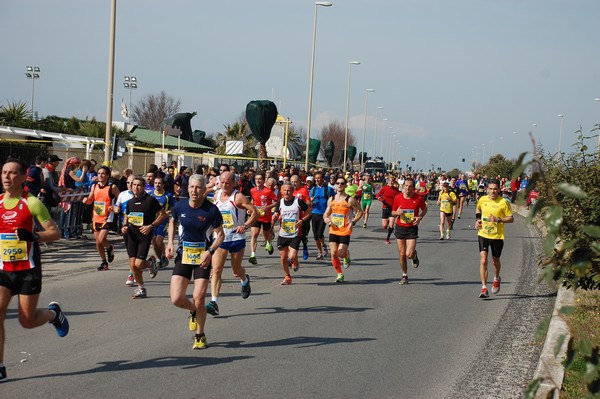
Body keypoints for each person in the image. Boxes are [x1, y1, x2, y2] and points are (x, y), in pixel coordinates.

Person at [0, 157, 69, 382]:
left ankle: (54, 314)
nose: (6, 177)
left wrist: (33, 236)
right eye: (3, 173)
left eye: (11, 173)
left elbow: (55, 233)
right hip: (3, 269)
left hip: (27, 269)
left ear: (22, 177)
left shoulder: (32, 203)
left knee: (26, 321)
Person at [167, 174, 224, 348]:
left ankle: (200, 335)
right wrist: (170, 242)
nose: (194, 190)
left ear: (204, 189)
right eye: (191, 187)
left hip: (203, 258)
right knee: (176, 299)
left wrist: (210, 251)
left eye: (198, 187)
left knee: (199, 298)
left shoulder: (211, 210)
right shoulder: (180, 205)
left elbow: (220, 235)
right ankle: (193, 311)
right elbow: (172, 221)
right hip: (184, 255)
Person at [207, 171, 257, 316]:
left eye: (228, 182)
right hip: (220, 238)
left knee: (236, 270)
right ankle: (214, 302)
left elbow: (255, 212)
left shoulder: (238, 197)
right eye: (222, 182)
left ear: (234, 183)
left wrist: (245, 226)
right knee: (216, 269)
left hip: (236, 239)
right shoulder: (216, 195)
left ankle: (244, 279)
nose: (224, 185)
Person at [121, 177, 166, 298]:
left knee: (138, 264)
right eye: (133, 185)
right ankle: (141, 289)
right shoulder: (130, 202)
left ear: (144, 187)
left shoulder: (150, 200)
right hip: (131, 236)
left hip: (144, 236)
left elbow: (162, 214)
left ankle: (149, 263)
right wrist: (124, 226)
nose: (135, 187)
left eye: (139, 185)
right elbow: (127, 216)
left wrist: (151, 226)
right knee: (133, 265)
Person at [475, 178, 514, 299]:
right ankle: (484, 288)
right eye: (490, 189)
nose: (493, 191)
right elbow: (478, 209)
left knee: (495, 261)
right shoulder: (482, 199)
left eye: (495, 189)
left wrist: (499, 220)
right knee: (483, 261)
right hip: (483, 234)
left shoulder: (504, 202)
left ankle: (496, 278)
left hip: (497, 236)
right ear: (487, 189)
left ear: (499, 189)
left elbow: (511, 218)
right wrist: (477, 220)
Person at [323, 177, 363, 283]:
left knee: (340, 253)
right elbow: (326, 213)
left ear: (345, 185)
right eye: (338, 183)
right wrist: (326, 218)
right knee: (333, 253)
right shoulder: (331, 199)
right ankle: (340, 274)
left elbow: (360, 212)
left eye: (342, 183)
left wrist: (353, 222)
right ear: (335, 185)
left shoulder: (350, 200)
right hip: (334, 229)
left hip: (345, 229)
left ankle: (346, 255)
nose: (339, 185)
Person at [272, 182, 311, 285]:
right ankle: (287, 276)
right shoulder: (280, 202)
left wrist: (302, 220)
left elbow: (308, 212)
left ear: (293, 191)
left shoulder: (298, 201)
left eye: (289, 190)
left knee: (292, 256)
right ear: (282, 191)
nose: (287, 192)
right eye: (285, 190)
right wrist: (275, 217)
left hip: (295, 233)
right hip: (283, 234)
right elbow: (276, 213)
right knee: (283, 257)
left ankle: (295, 261)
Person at [391, 177, 428, 285]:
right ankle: (404, 275)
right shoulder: (397, 198)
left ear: (413, 188)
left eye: (410, 186)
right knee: (402, 254)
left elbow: (425, 209)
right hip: (400, 227)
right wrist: (397, 213)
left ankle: (414, 256)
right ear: (403, 186)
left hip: (412, 228)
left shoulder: (418, 198)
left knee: (409, 254)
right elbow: (393, 212)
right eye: (406, 186)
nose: (408, 188)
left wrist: (420, 217)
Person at [82, 166, 120, 271]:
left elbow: (120, 199)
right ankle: (104, 262)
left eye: (103, 173)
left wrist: (116, 206)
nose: (100, 175)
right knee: (98, 243)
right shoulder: (94, 186)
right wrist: (85, 200)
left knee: (101, 239)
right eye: (98, 173)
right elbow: (90, 200)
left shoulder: (112, 187)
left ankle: (109, 247)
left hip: (108, 217)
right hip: (96, 217)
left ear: (107, 176)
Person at [248, 172, 277, 265]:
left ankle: (268, 243)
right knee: (254, 234)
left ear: (263, 181)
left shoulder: (268, 191)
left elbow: (277, 201)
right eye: (256, 179)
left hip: (266, 217)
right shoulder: (252, 190)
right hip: (256, 215)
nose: (258, 181)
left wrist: (268, 207)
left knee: (265, 235)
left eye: (260, 179)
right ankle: (253, 255)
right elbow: (253, 200)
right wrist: (250, 208)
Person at [113, 175, 136, 286]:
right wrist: (115, 209)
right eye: (128, 182)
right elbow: (117, 207)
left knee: (135, 252)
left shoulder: (145, 195)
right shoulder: (122, 195)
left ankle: (132, 273)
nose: (130, 185)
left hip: (140, 228)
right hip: (126, 227)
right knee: (131, 252)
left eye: (133, 182)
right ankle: (143, 267)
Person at [309, 171, 335, 260]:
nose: (317, 180)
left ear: (323, 179)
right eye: (316, 178)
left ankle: (323, 246)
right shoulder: (313, 189)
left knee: (320, 233)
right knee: (315, 235)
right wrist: (311, 202)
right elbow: (309, 203)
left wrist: (331, 211)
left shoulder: (328, 189)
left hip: (324, 214)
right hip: (314, 213)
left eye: (319, 178)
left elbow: (334, 199)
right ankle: (319, 252)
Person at [150, 175, 174, 269]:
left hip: (163, 221)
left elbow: (173, 207)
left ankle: (163, 256)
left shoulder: (168, 196)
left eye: (159, 183)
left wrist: (168, 212)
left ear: (163, 184)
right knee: (153, 241)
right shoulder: (150, 194)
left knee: (158, 240)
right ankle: (159, 259)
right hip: (152, 221)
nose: (157, 185)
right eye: (155, 183)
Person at [291, 174, 312, 260]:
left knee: (303, 235)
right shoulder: (289, 190)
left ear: (299, 182)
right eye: (292, 182)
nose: (293, 183)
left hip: (303, 216)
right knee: (292, 236)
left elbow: (309, 203)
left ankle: (305, 246)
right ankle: (291, 256)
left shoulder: (304, 191)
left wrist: (300, 205)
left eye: (295, 182)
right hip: (292, 217)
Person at [376, 176, 400, 245]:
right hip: (385, 207)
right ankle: (388, 221)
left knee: (392, 224)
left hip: (393, 208)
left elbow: (399, 198)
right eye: (390, 181)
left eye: (392, 181)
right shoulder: (384, 188)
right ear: (388, 181)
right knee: (384, 226)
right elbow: (377, 196)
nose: (391, 182)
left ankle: (387, 238)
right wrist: (382, 200)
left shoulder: (396, 190)